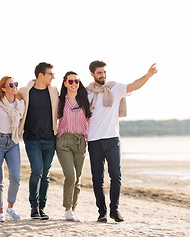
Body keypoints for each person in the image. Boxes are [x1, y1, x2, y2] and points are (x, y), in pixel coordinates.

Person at [86, 60, 157, 223]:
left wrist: (147, 76)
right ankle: (102, 212)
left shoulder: (115, 88)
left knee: (116, 175)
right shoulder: (86, 92)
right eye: (99, 73)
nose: (102, 75)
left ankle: (114, 210)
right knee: (97, 178)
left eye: (104, 72)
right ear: (92, 74)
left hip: (112, 138)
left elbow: (133, 85)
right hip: (94, 140)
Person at [17, 62, 59, 220]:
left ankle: (42, 207)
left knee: (45, 174)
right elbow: (8, 100)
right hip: (32, 138)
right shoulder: (25, 91)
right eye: (50, 74)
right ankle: (34, 206)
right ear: (40, 75)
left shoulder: (54, 91)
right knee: (37, 170)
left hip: (50, 139)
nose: (53, 77)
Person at [0, 76, 25, 222]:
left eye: (15, 84)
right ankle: (0, 211)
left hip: (13, 141)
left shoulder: (20, 104)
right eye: (11, 84)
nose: (14, 86)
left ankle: (11, 207)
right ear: (3, 88)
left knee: (15, 177)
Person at [56, 71, 91, 222]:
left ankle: (73, 209)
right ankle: (67, 209)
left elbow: (90, 121)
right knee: (70, 176)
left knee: (78, 179)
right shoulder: (59, 101)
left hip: (80, 142)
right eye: (70, 81)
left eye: (76, 81)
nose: (74, 84)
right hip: (63, 141)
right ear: (65, 83)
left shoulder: (85, 100)